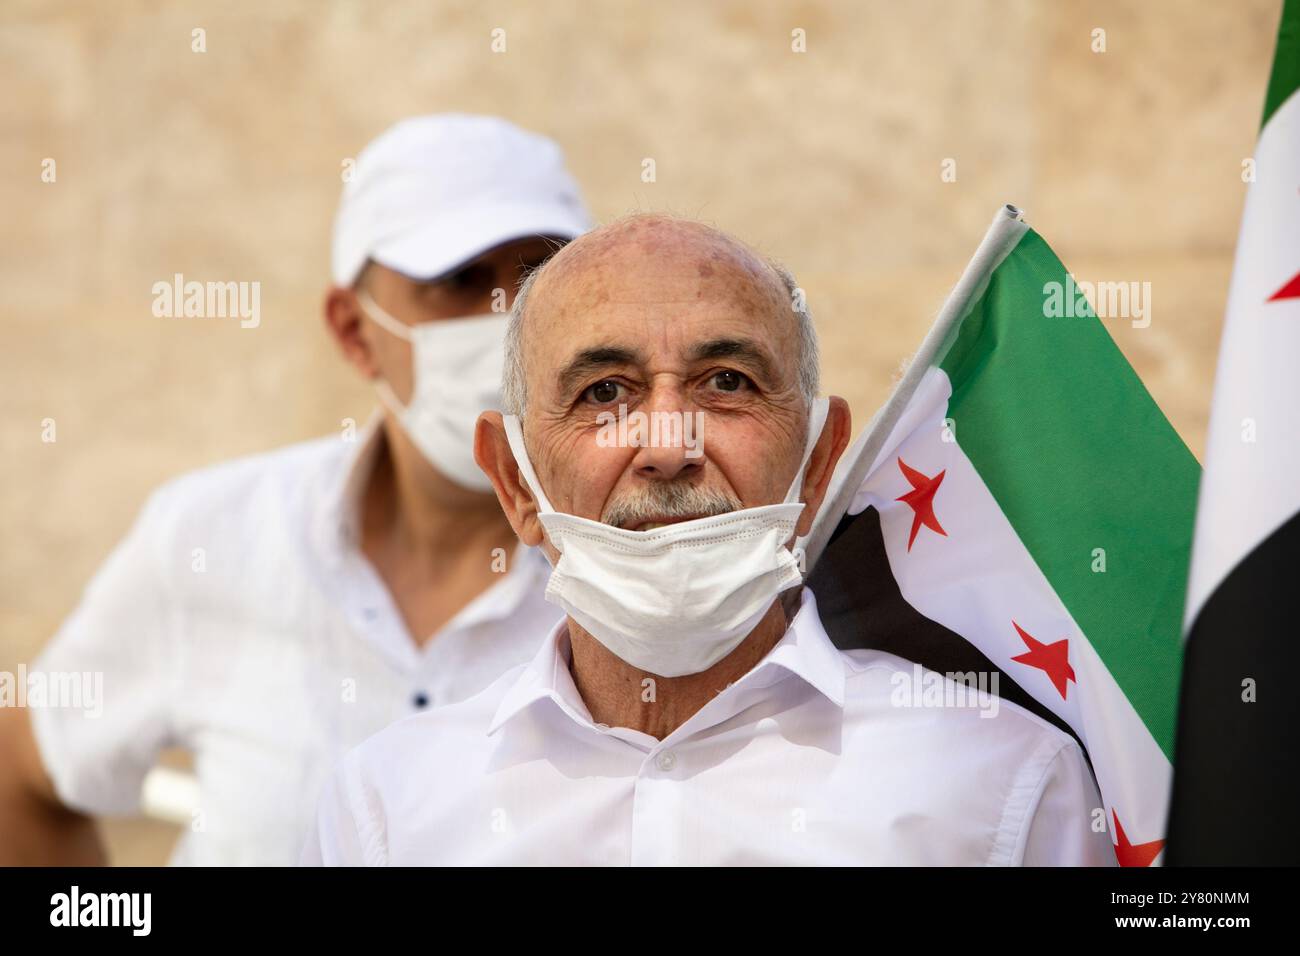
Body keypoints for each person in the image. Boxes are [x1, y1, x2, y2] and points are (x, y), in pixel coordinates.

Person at [302, 212, 1117, 866]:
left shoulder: (1005, 782)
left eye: (727, 383)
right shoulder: (386, 808)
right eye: (604, 391)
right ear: (516, 485)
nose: (667, 444)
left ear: (818, 462)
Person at [0, 114, 591, 865]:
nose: (507, 320)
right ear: (353, 330)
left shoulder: (631, 578)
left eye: (540, 280)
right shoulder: (213, 536)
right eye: (459, 281)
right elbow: (23, 770)